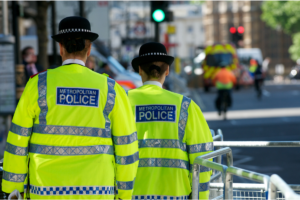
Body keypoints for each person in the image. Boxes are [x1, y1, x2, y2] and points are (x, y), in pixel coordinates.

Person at [2, 16, 139, 200]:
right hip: (98, 191)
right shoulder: (111, 89)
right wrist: (124, 193)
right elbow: (126, 146)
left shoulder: (38, 85)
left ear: (60, 48)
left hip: (45, 191)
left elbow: (18, 141)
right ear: (89, 48)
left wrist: (13, 188)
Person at [128, 42, 213, 199]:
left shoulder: (123, 102)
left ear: (139, 70)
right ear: (167, 70)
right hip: (176, 194)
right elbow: (202, 156)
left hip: (132, 194)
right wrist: (200, 196)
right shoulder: (186, 106)